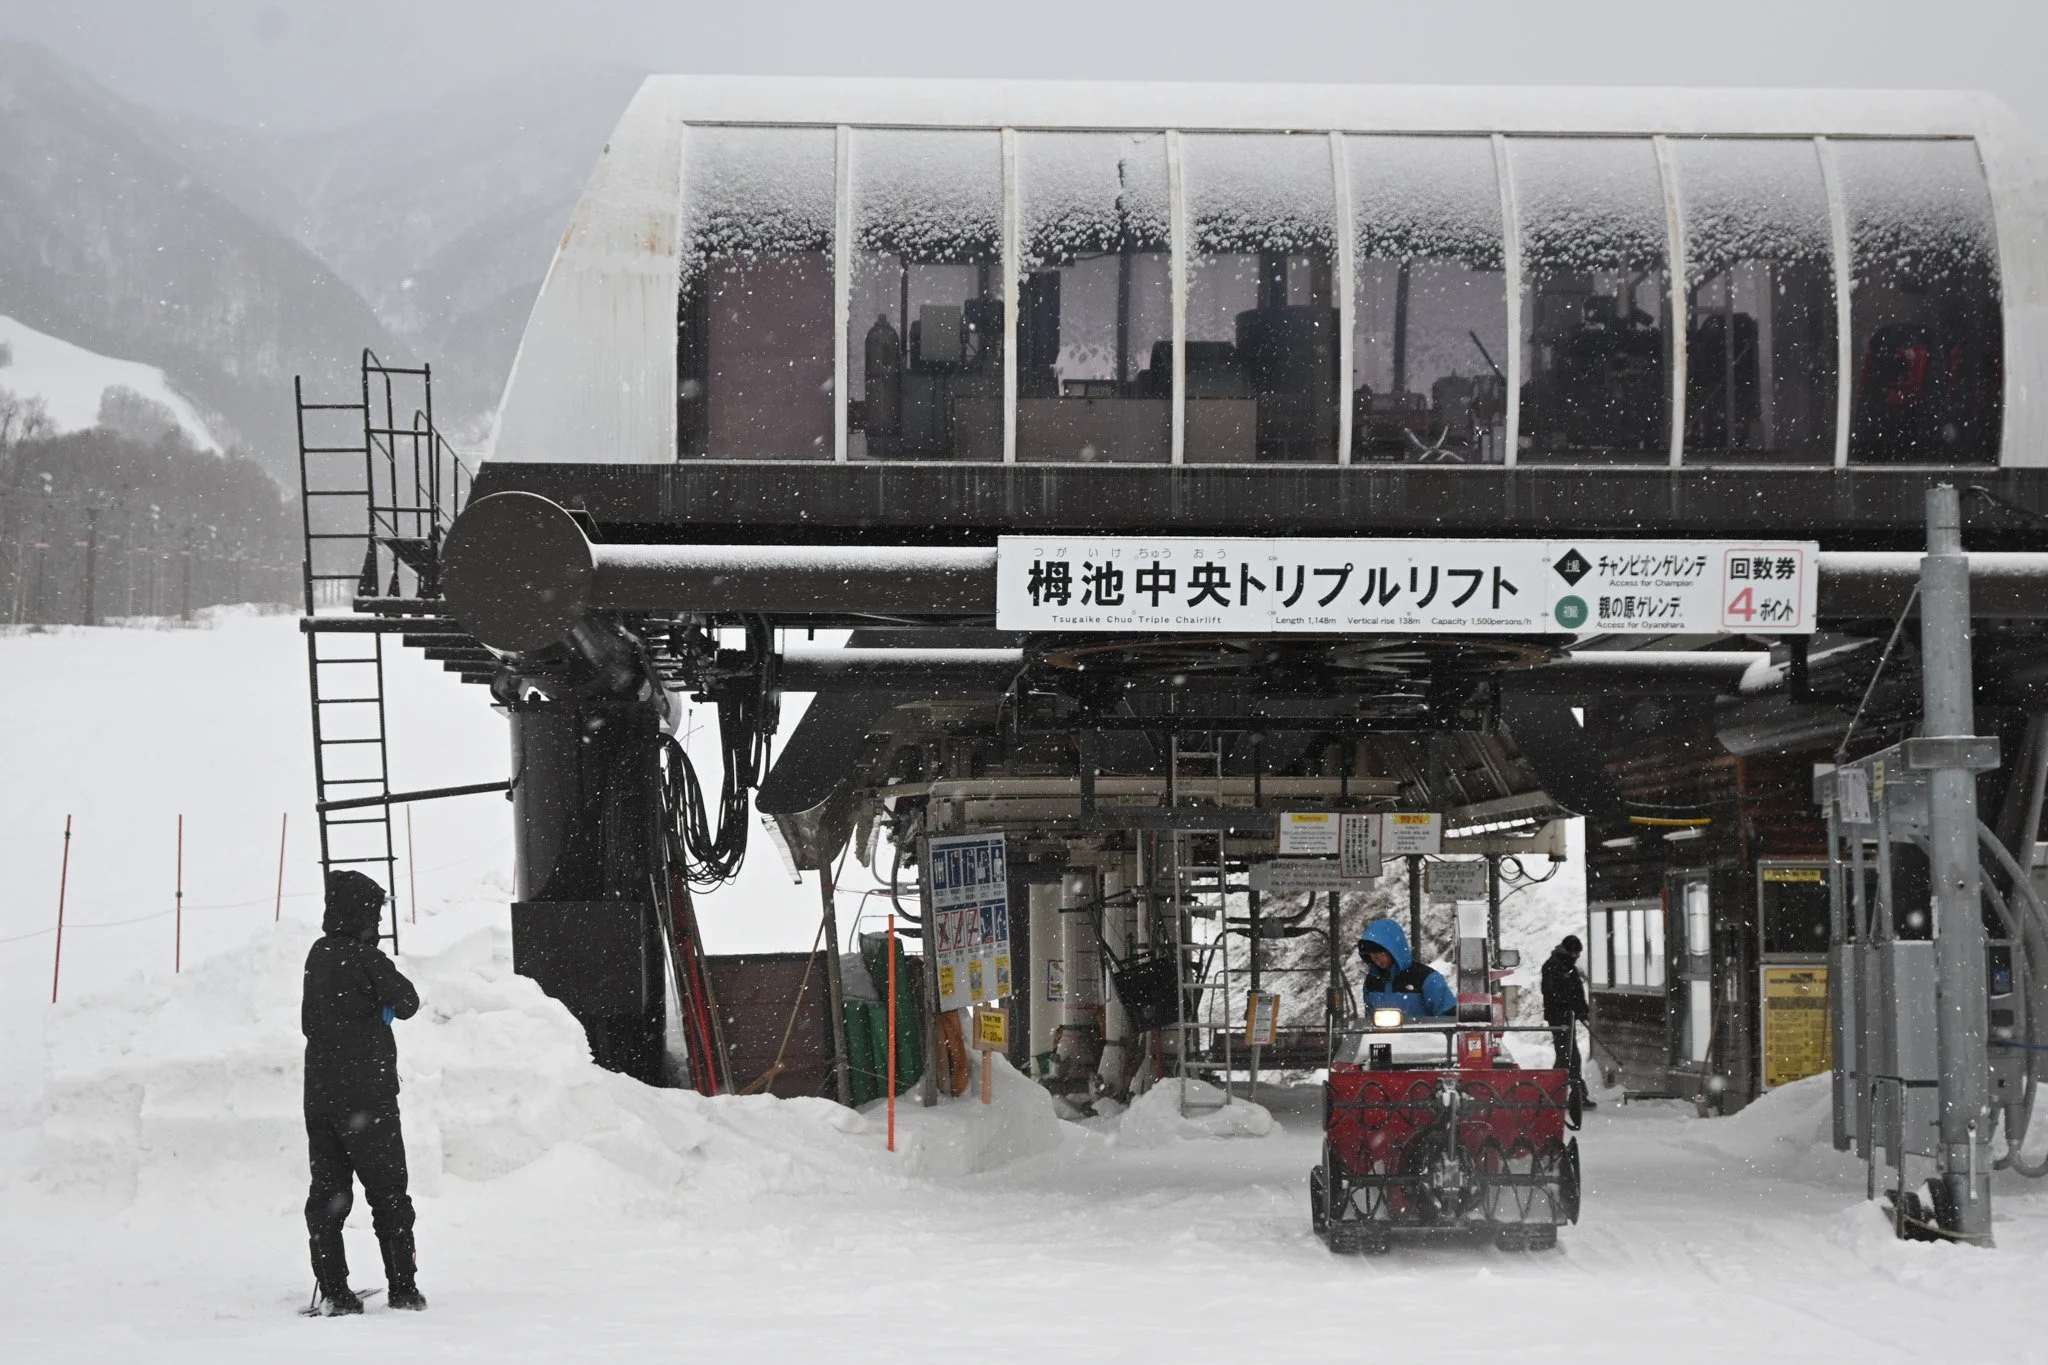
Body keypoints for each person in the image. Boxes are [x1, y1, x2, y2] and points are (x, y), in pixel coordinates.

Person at [302, 870, 425, 1315]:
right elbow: (408, 1001)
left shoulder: (317, 955)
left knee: (327, 1197)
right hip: (366, 1098)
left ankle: (335, 1291)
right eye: (373, 913)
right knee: (389, 1194)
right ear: (363, 915)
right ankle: (404, 1289)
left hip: (320, 1095)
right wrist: (381, 1000)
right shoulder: (365, 958)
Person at [1356, 918, 1457, 1019]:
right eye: (1372, 955)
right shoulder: (1371, 982)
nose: (1377, 959)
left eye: (1381, 954)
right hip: (1383, 1034)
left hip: (1424, 1034)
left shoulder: (1427, 979)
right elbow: (1369, 1020)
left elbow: (1449, 1018)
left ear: (1393, 950)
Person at [1541, 934, 1595, 1108]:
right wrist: (1569, 1006)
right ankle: (1559, 1094)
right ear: (1568, 951)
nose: (1578, 957)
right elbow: (1552, 993)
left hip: (1568, 1016)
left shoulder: (1569, 967)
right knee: (1567, 1056)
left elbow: (1577, 992)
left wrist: (1582, 1010)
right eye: (1575, 953)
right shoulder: (1552, 966)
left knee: (1571, 1056)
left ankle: (1569, 1094)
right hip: (1558, 1018)